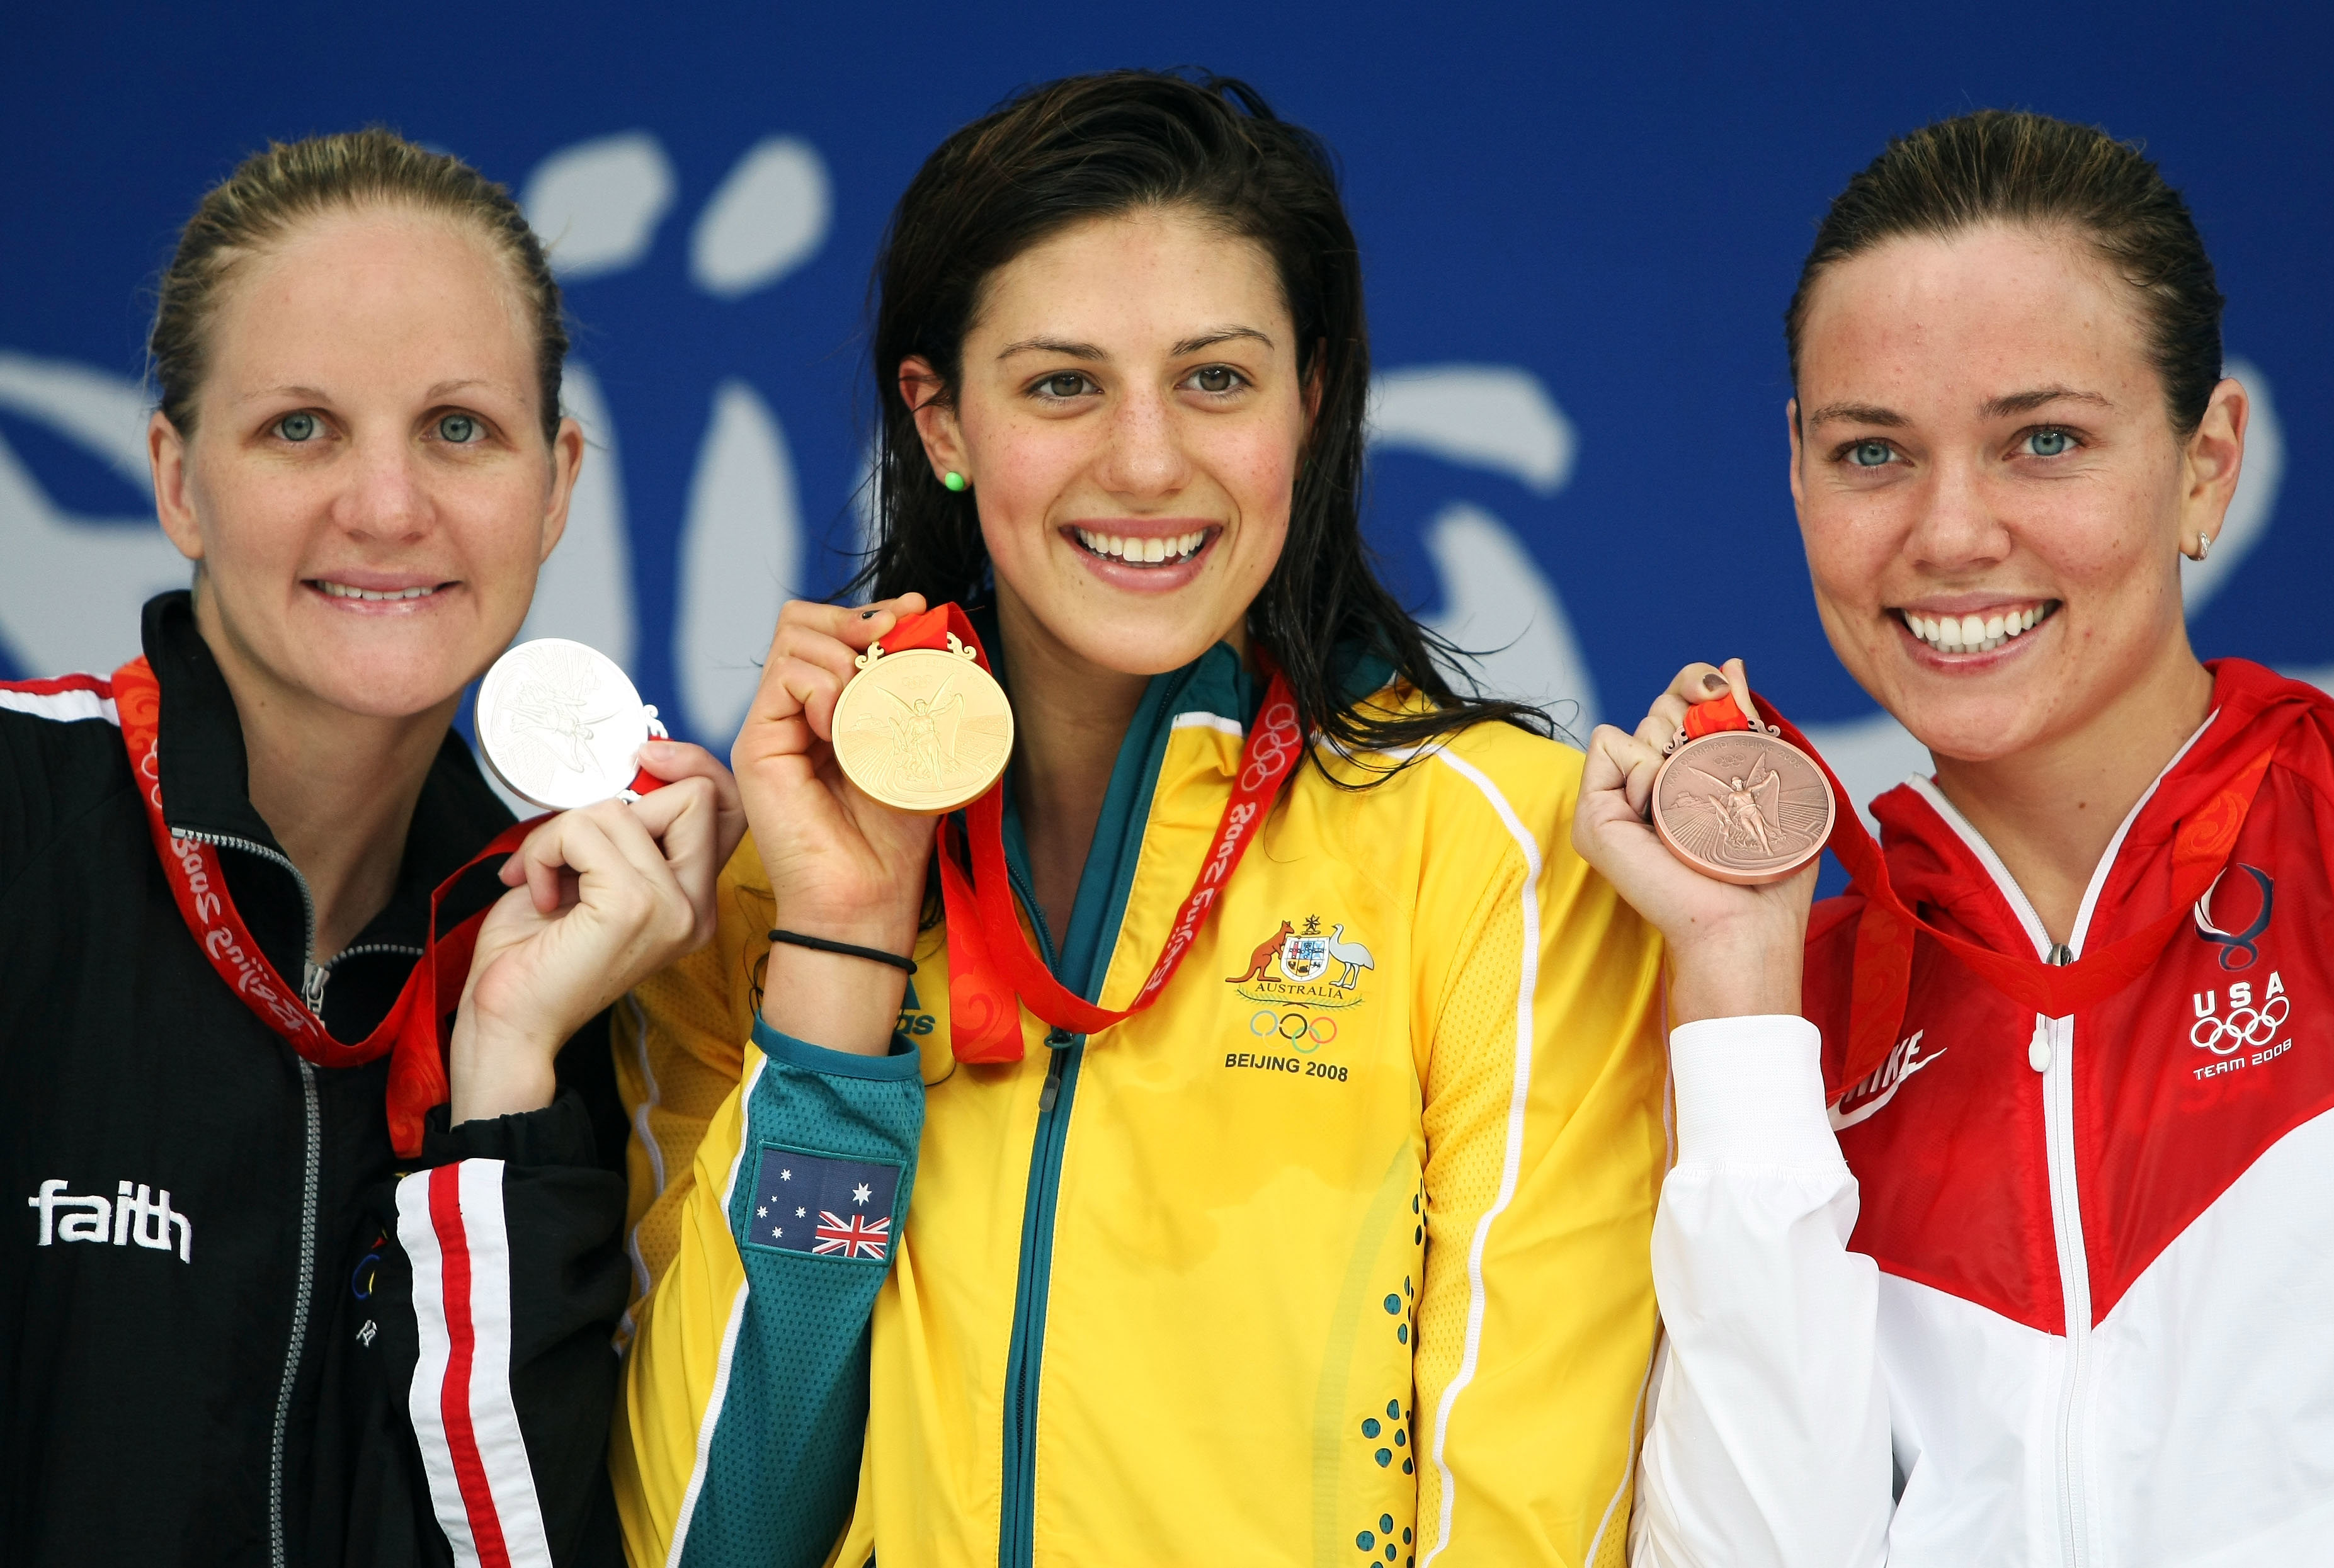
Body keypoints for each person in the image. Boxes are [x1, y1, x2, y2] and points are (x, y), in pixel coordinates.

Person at [611, 71, 1667, 1567]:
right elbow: (716, 1532)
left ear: (1309, 402)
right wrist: (841, 940)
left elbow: (1532, 1516)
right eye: (1061, 385)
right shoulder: (765, 896)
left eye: (1215, 380)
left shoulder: (1503, 851)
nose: (1148, 461)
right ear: (940, 420)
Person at [1576, 111, 2334, 1565]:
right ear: (1796, 473)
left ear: (2202, 465)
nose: (1947, 534)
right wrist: (1738, 981)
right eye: (1871, 451)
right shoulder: (1771, 1026)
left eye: (2042, 441)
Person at [1, 131, 739, 1566]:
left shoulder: (578, 977)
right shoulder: (25, 815)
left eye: (458, 427)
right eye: (301, 429)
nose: (388, 508)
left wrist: (507, 1079)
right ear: (177, 480)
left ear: (556, 486)